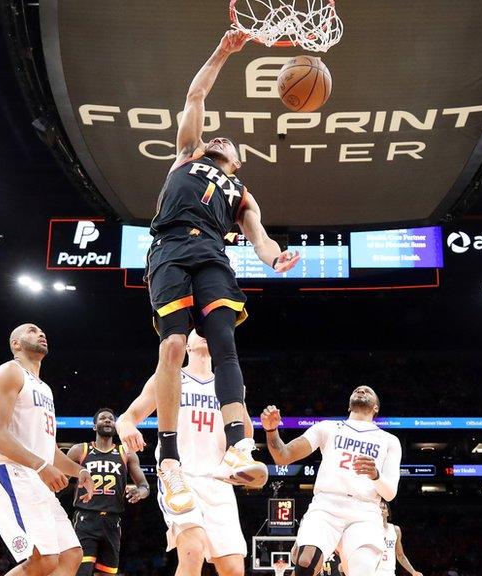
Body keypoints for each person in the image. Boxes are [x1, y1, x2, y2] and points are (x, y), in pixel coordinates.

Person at [145, 29, 300, 512]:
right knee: (173, 345)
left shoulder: (242, 193)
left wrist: (275, 257)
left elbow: (259, 236)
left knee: (222, 344)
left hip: (213, 254)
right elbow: (196, 94)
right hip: (170, 247)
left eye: (227, 143)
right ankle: (168, 457)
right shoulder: (186, 155)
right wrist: (222, 50)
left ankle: (238, 445)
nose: (219, 139)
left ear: (236, 162)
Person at [116, 330, 254, 576]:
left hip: (218, 482)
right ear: (186, 345)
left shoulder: (228, 384)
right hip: (179, 477)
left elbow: (246, 437)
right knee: (192, 549)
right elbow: (127, 417)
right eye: (197, 332)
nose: (204, 334)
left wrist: (240, 401)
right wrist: (126, 427)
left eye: (207, 331)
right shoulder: (170, 377)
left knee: (233, 568)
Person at [0, 323, 95, 576]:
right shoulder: (10, 372)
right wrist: (41, 466)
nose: (41, 333)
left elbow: (50, 451)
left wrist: (80, 471)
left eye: (42, 331)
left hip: (35, 478)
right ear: (16, 344)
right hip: (10, 472)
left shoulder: (45, 388)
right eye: (32, 331)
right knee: (43, 559)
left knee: (71, 555)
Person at [261, 386, 402, 576]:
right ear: (348, 405)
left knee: (363, 571)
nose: (361, 390)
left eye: (367, 390)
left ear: (376, 407)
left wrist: (376, 475)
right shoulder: (327, 427)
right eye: (357, 389)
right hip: (326, 506)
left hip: (365, 511)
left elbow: (390, 493)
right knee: (306, 562)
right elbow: (283, 456)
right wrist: (271, 430)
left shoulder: (389, 440)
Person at [64, 408, 151, 576]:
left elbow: (144, 486)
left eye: (111, 419)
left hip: (113, 521)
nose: (107, 420)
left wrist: (139, 492)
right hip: (86, 519)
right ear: (94, 426)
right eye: (102, 418)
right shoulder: (79, 450)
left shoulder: (126, 453)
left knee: (107, 574)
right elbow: (61, 479)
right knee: (81, 572)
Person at [378, 502, 422, 576]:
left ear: (388, 513)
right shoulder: (370, 529)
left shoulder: (395, 530)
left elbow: (400, 555)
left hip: (389, 572)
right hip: (373, 572)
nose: (381, 510)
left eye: (383, 508)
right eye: (379, 508)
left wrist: (413, 572)